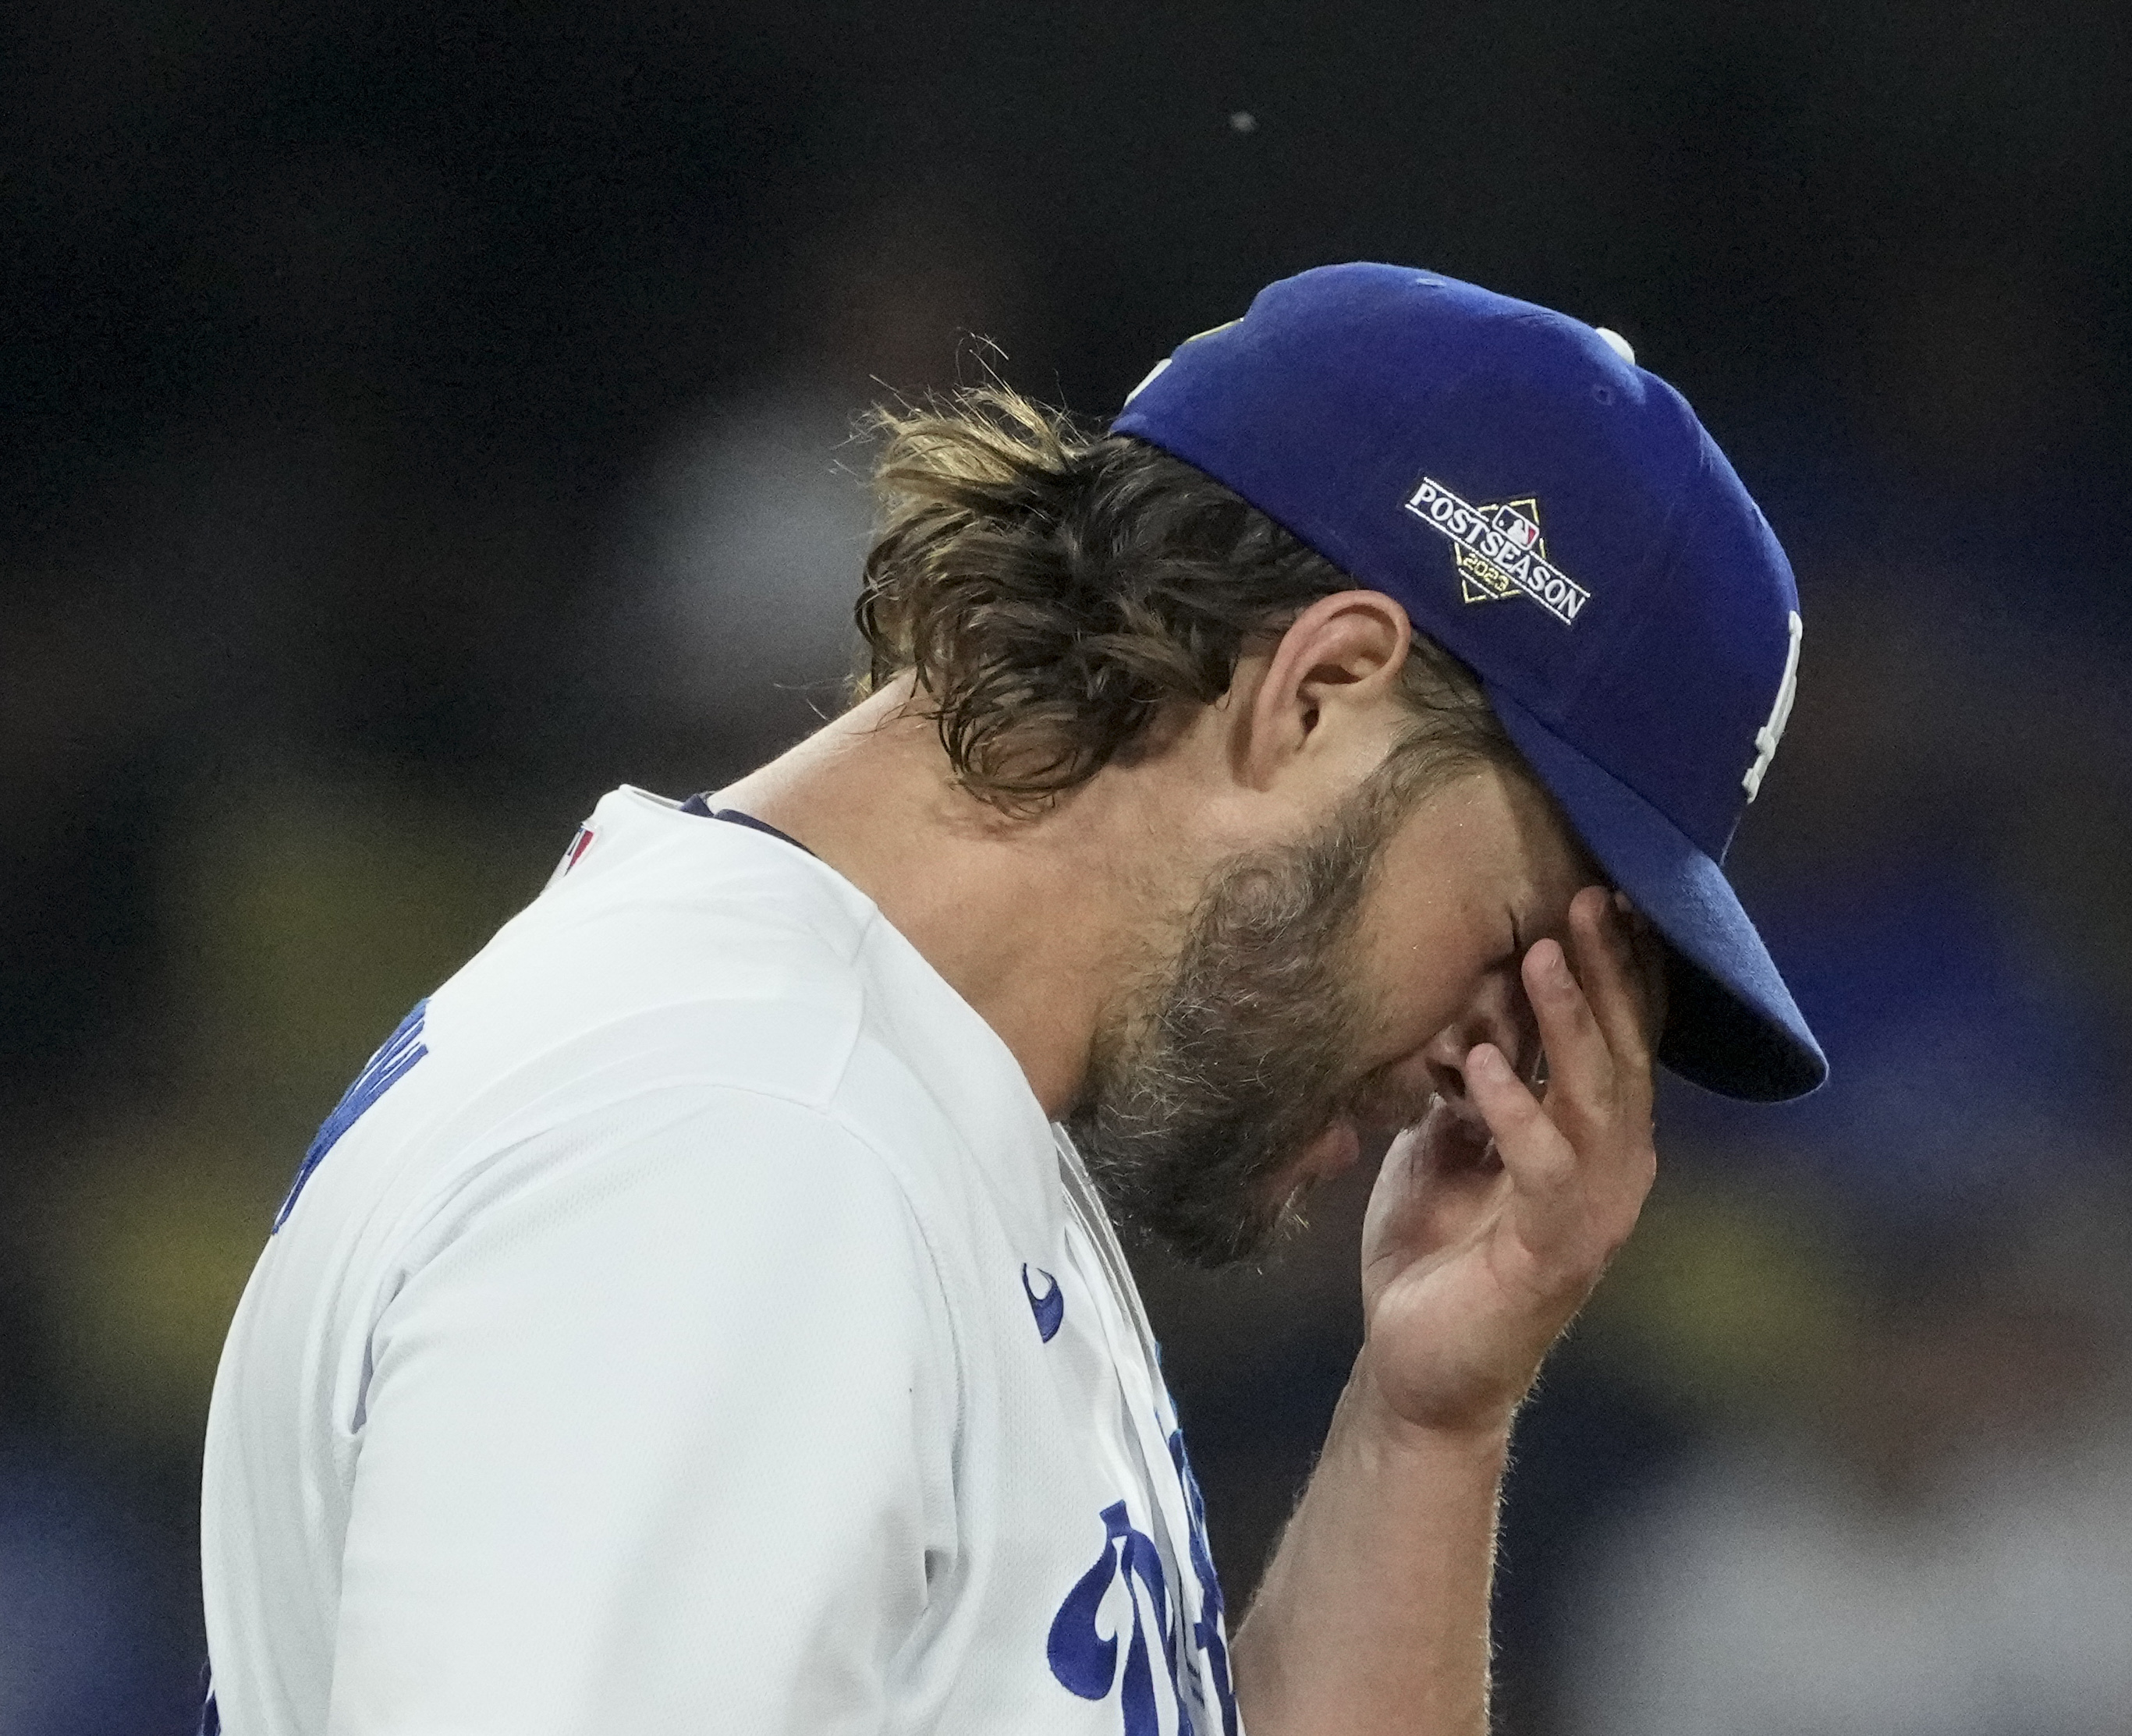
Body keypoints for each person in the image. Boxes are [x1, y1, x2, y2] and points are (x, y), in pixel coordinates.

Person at [198, 263, 1825, 1735]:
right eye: (1519, 931)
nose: (1502, 1053)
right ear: (1316, 693)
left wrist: (1425, 1427)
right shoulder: (742, 1142)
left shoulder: (895, 1104)